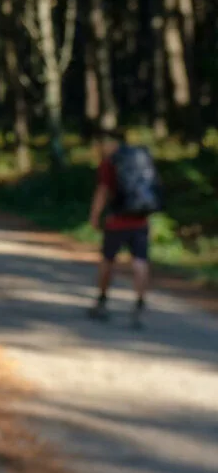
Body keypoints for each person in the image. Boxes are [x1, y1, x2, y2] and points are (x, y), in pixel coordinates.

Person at [87, 129, 156, 329]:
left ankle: (102, 301)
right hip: (141, 220)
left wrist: (94, 216)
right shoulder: (141, 158)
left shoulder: (111, 163)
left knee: (108, 260)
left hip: (116, 221)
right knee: (140, 261)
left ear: (108, 143)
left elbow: (103, 191)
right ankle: (139, 305)